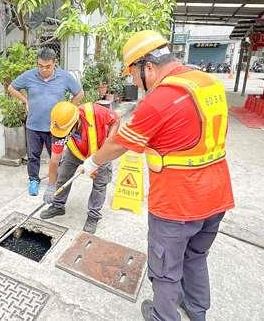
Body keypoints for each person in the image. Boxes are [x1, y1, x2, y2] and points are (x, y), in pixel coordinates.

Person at [81, 30, 234, 321]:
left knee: (166, 270)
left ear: (148, 66)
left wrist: (93, 162)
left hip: (178, 203)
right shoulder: (206, 82)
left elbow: (118, 144)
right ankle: (196, 311)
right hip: (217, 195)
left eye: (136, 77)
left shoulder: (162, 99)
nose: (136, 84)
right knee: (196, 256)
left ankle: (163, 316)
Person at [8, 48, 84, 196]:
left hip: (56, 128)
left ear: (54, 63)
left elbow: (79, 93)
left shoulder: (64, 77)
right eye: (40, 65)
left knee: (56, 157)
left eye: (47, 66)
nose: (43, 69)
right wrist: (25, 101)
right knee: (33, 156)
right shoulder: (29, 75)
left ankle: (55, 181)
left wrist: (68, 108)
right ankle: (34, 180)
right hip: (33, 125)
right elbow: (12, 88)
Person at [39, 101, 120, 233]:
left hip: (101, 151)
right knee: (63, 174)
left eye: (66, 132)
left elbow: (116, 120)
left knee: (100, 184)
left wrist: (109, 143)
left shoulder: (95, 112)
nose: (63, 136)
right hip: (76, 151)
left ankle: (93, 215)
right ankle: (58, 206)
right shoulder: (59, 130)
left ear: (75, 122)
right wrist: (50, 185)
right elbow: (54, 160)